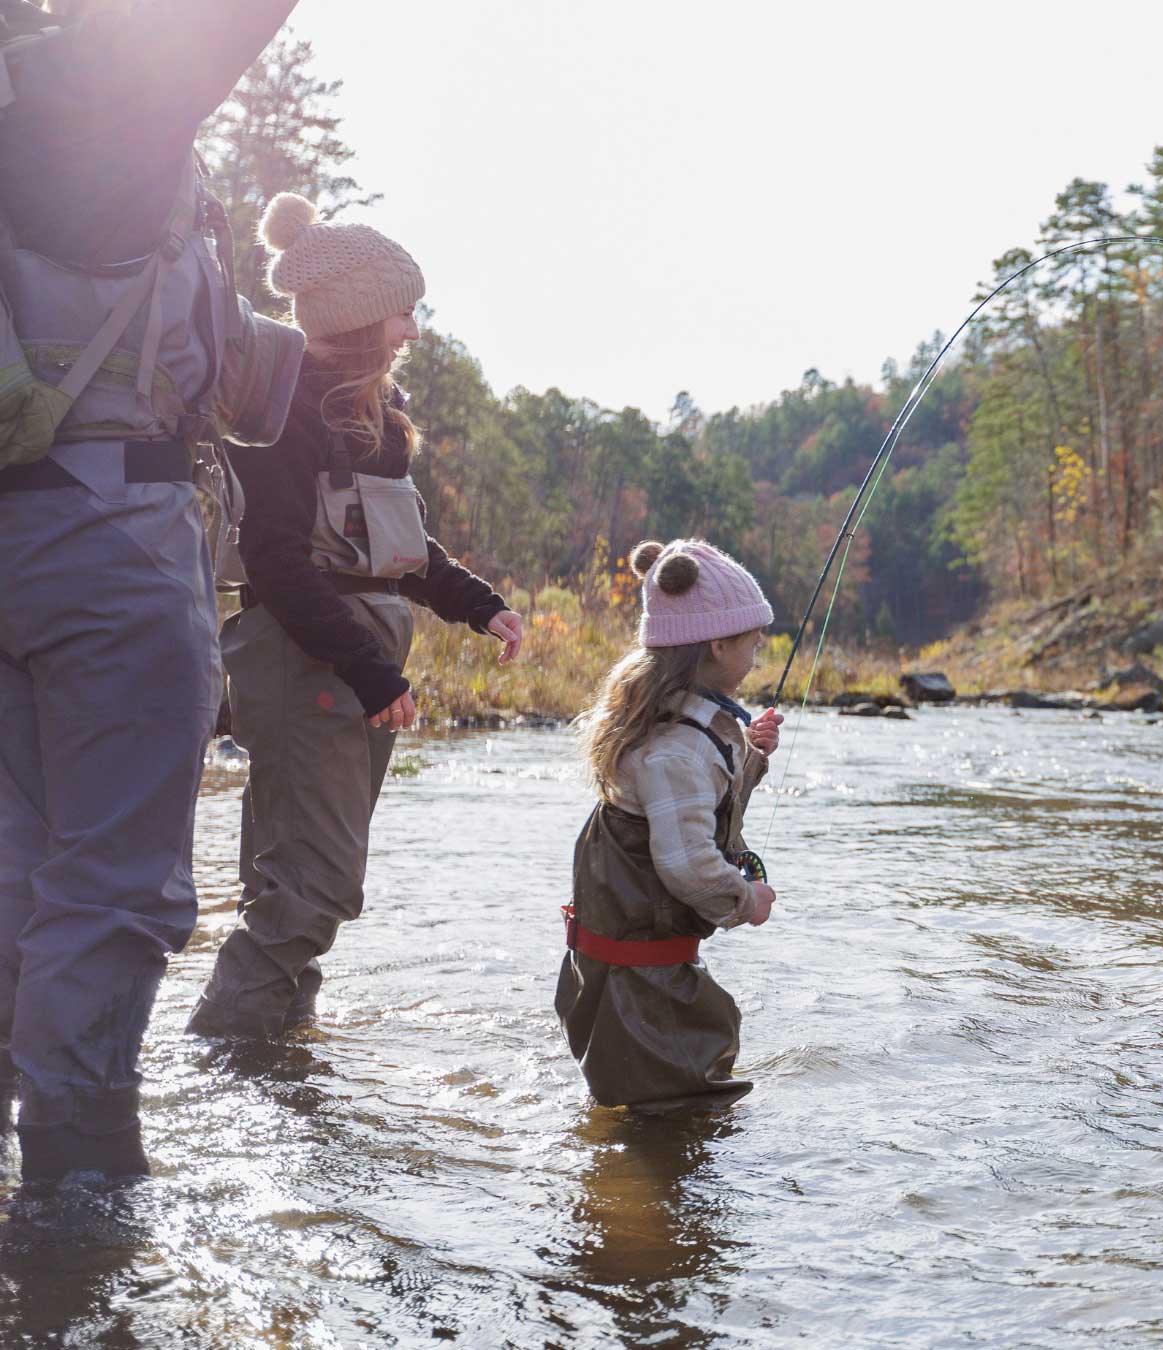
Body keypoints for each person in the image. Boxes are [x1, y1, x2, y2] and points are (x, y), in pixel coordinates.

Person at [0, 0, 303, 1183]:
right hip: (105, 534)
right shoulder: (100, 91)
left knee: (18, 869)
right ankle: (77, 1199)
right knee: (115, 885)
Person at [185, 194, 528, 1040]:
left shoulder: (372, 415)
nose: (412, 327)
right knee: (318, 885)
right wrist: (370, 672)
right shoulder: (284, 410)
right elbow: (276, 563)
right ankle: (223, 1048)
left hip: (344, 664)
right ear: (361, 314)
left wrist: (478, 607)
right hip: (312, 665)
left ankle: (275, 1063)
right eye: (402, 311)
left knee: (287, 880)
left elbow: (389, 551)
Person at [557, 539, 785, 1111]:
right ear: (717, 642)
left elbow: (696, 803)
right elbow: (686, 865)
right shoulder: (677, 751)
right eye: (753, 636)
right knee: (680, 1118)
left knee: (647, 1113)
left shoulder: (678, 723)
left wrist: (750, 756)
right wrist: (744, 899)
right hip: (643, 992)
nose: (759, 647)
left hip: (628, 980)